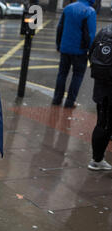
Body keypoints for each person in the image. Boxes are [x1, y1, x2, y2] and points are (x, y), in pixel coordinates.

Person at [52, 0, 96, 108]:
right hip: (80, 51)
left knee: (62, 74)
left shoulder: (68, 8)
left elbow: (60, 27)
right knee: (77, 76)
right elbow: (90, 34)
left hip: (65, 48)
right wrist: (91, 52)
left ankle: (57, 99)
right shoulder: (90, 11)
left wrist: (58, 45)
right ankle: (70, 102)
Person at [88, 24, 112, 170]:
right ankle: (96, 160)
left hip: (101, 85)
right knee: (104, 125)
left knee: (102, 122)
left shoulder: (104, 31)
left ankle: (97, 159)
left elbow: (91, 53)